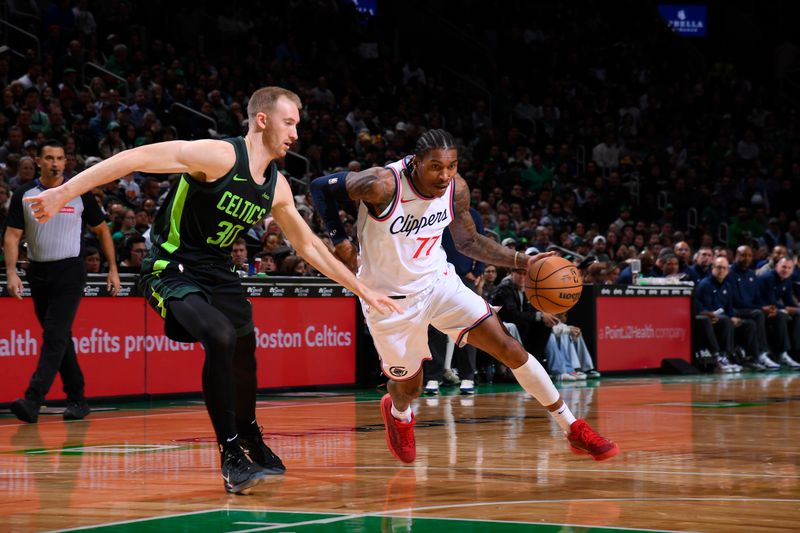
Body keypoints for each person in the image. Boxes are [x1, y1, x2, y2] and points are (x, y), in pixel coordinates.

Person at [22, 87, 400, 494]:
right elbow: (135, 158)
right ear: (262, 120)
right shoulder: (220, 156)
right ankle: (231, 453)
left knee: (245, 348)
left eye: (298, 125)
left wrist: (360, 288)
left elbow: (308, 246)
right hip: (171, 265)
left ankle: (250, 433)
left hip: (219, 272)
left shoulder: (278, 186)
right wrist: (64, 191)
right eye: (289, 122)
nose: (295, 133)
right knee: (219, 336)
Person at [310, 129, 618, 464]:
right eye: (435, 167)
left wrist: (524, 261)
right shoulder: (381, 184)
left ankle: (572, 426)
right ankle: (398, 414)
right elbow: (319, 189)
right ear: (415, 162)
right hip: (388, 298)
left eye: (451, 166)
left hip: (439, 283)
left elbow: (469, 242)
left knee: (509, 347)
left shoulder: (456, 189)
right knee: (409, 387)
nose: (444, 175)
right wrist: (339, 239)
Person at [4, 139, 121, 424]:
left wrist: (113, 269)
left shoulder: (79, 192)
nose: (55, 163)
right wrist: (11, 272)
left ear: (65, 162)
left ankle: (33, 400)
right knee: (60, 338)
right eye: (49, 158)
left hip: (70, 271)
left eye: (59, 158)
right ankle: (78, 399)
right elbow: (12, 236)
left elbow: (102, 230)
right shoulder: (24, 193)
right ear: (39, 161)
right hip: (38, 272)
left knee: (54, 336)